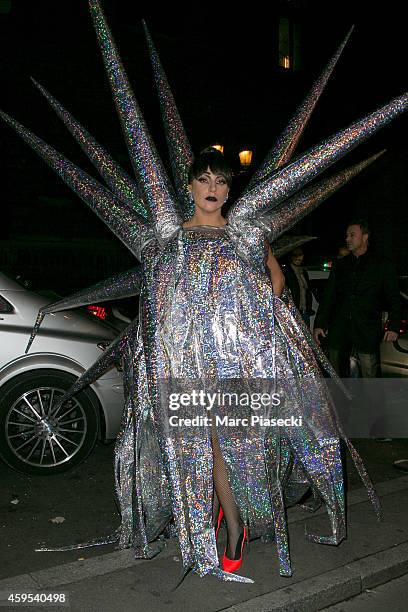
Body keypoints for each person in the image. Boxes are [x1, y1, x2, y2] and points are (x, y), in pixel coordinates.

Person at [313, 219, 401, 378]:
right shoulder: (340, 265)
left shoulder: (382, 265)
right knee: (336, 376)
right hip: (339, 332)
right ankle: (340, 402)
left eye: (352, 235)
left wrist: (394, 326)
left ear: (365, 237)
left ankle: (370, 403)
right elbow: (329, 297)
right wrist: (320, 324)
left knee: (370, 377)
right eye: (347, 235)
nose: (347, 239)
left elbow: (394, 298)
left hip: (366, 332)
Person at [282, 247, 314, 326]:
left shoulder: (303, 272)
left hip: (305, 311)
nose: (299, 258)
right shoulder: (286, 272)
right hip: (293, 311)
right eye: (295, 255)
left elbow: (307, 291)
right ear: (291, 257)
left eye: (300, 255)